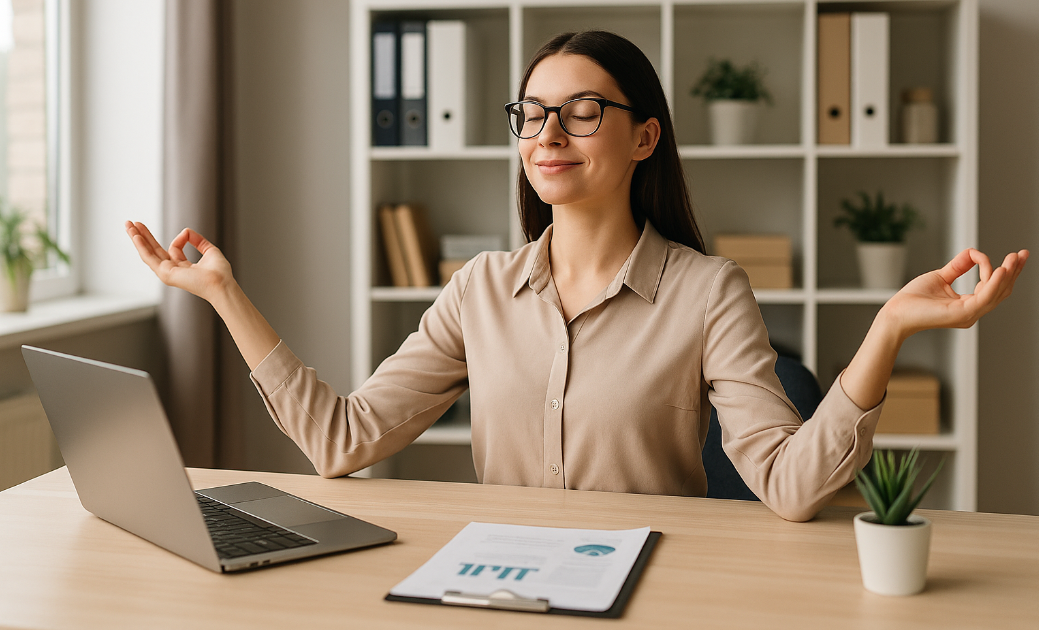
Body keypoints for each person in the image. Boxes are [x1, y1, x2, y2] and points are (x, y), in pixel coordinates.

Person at [127, 31, 1027, 522]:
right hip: (499, 585)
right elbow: (342, 440)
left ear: (644, 137)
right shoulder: (479, 287)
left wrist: (887, 328)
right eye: (531, 114)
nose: (548, 134)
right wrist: (221, 293)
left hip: (649, 590)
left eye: (581, 111)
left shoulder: (707, 291)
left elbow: (789, 488)